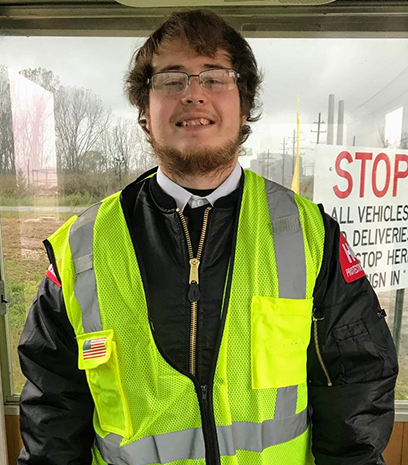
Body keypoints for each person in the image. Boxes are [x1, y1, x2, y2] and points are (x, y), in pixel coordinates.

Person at [18, 9, 398, 465]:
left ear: (245, 103)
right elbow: (53, 412)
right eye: (171, 79)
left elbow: (355, 388)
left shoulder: (310, 233)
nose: (193, 93)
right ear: (144, 108)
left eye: (215, 77)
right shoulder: (80, 248)